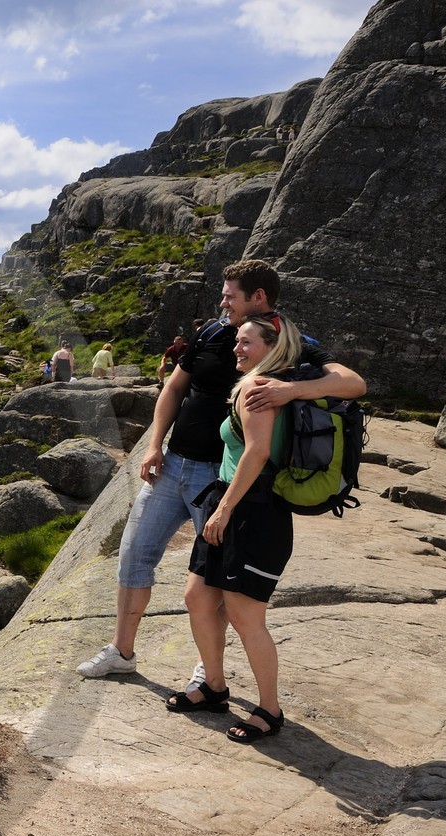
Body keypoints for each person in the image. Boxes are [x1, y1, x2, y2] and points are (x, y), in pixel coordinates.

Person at [75, 259, 366, 682]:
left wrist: (292, 389)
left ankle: (206, 669)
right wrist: (155, 444)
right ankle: (122, 651)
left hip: (220, 478)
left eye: (230, 295)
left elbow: (353, 383)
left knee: (216, 581)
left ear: (258, 298)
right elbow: (175, 387)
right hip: (172, 464)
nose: (223, 302)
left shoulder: (286, 341)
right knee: (135, 555)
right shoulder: (212, 333)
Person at [173, 314, 299, 742]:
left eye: (246, 342)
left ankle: (269, 710)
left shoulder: (257, 388)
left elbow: (258, 451)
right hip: (233, 501)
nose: (236, 349)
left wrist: (224, 509)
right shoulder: (265, 384)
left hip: (253, 511)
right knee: (198, 596)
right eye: (237, 342)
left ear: (271, 347)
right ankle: (213, 686)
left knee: (246, 615)